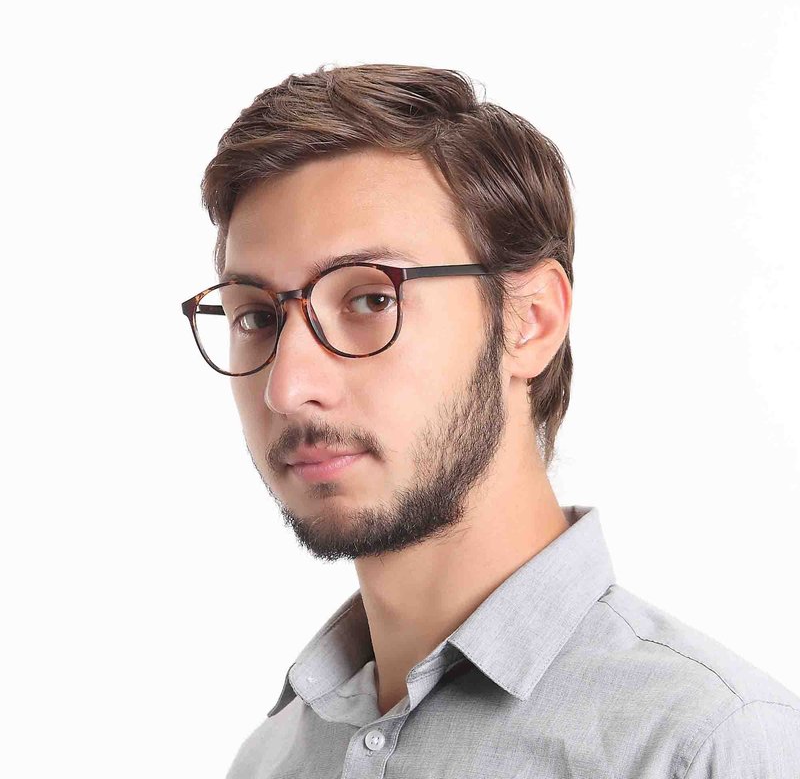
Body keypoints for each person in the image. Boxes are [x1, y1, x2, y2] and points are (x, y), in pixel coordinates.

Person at [182, 63, 800, 777]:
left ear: (530, 321)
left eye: (371, 300)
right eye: (256, 317)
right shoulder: (269, 760)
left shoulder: (706, 746)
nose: (287, 388)